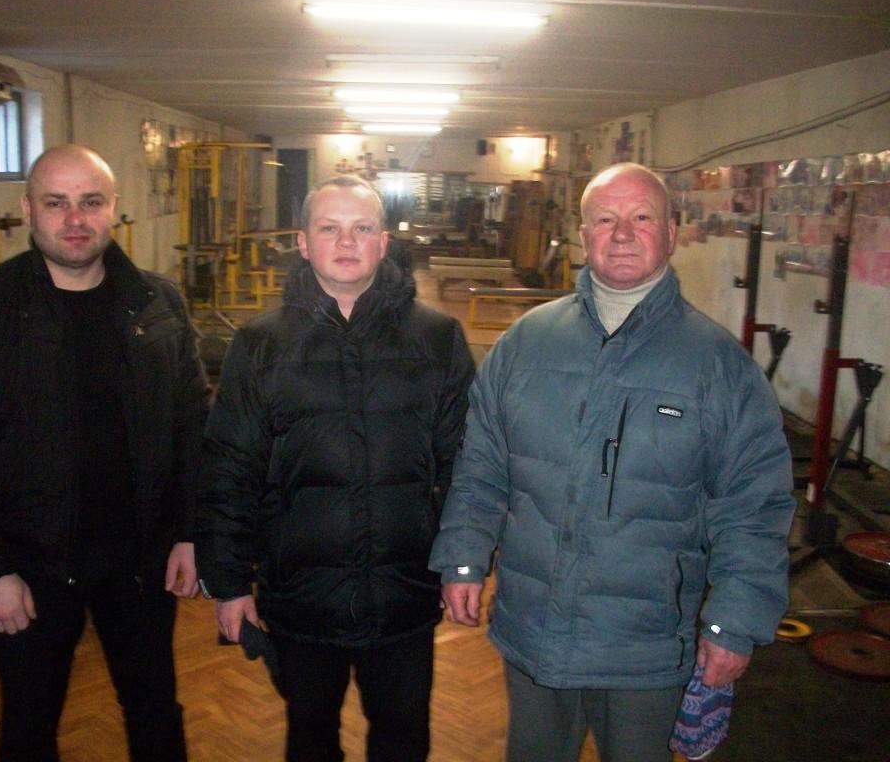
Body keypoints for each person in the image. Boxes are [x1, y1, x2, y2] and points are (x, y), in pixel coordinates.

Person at [429, 163, 796, 762]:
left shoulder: (718, 366)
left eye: (641, 217)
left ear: (671, 233)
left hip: (646, 647)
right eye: (605, 219)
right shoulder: (525, 343)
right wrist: (463, 556)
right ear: (583, 236)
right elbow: (481, 466)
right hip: (533, 629)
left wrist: (735, 618)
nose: (622, 233)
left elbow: (753, 506)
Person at [0, 144, 208, 762]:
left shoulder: (156, 304)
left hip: (140, 563)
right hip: (29, 567)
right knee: (28, 726)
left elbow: (190, 427)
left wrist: (188, 531)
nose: (75, 219)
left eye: (90, 202)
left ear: (114, 208)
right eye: (56, 203)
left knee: (156, 714)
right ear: (28, 210)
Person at [197, 175, 474, 762]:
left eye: (361, 228)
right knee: (309, 740)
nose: (346, 242)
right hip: (300, 598)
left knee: (403, 742)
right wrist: (228, 582)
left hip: (404, 594)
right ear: (303, 242)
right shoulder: (260, 344)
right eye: (330, 228)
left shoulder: (438, 338)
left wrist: (463, 562)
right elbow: (229, 468)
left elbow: (465, 464)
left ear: (383, 243)